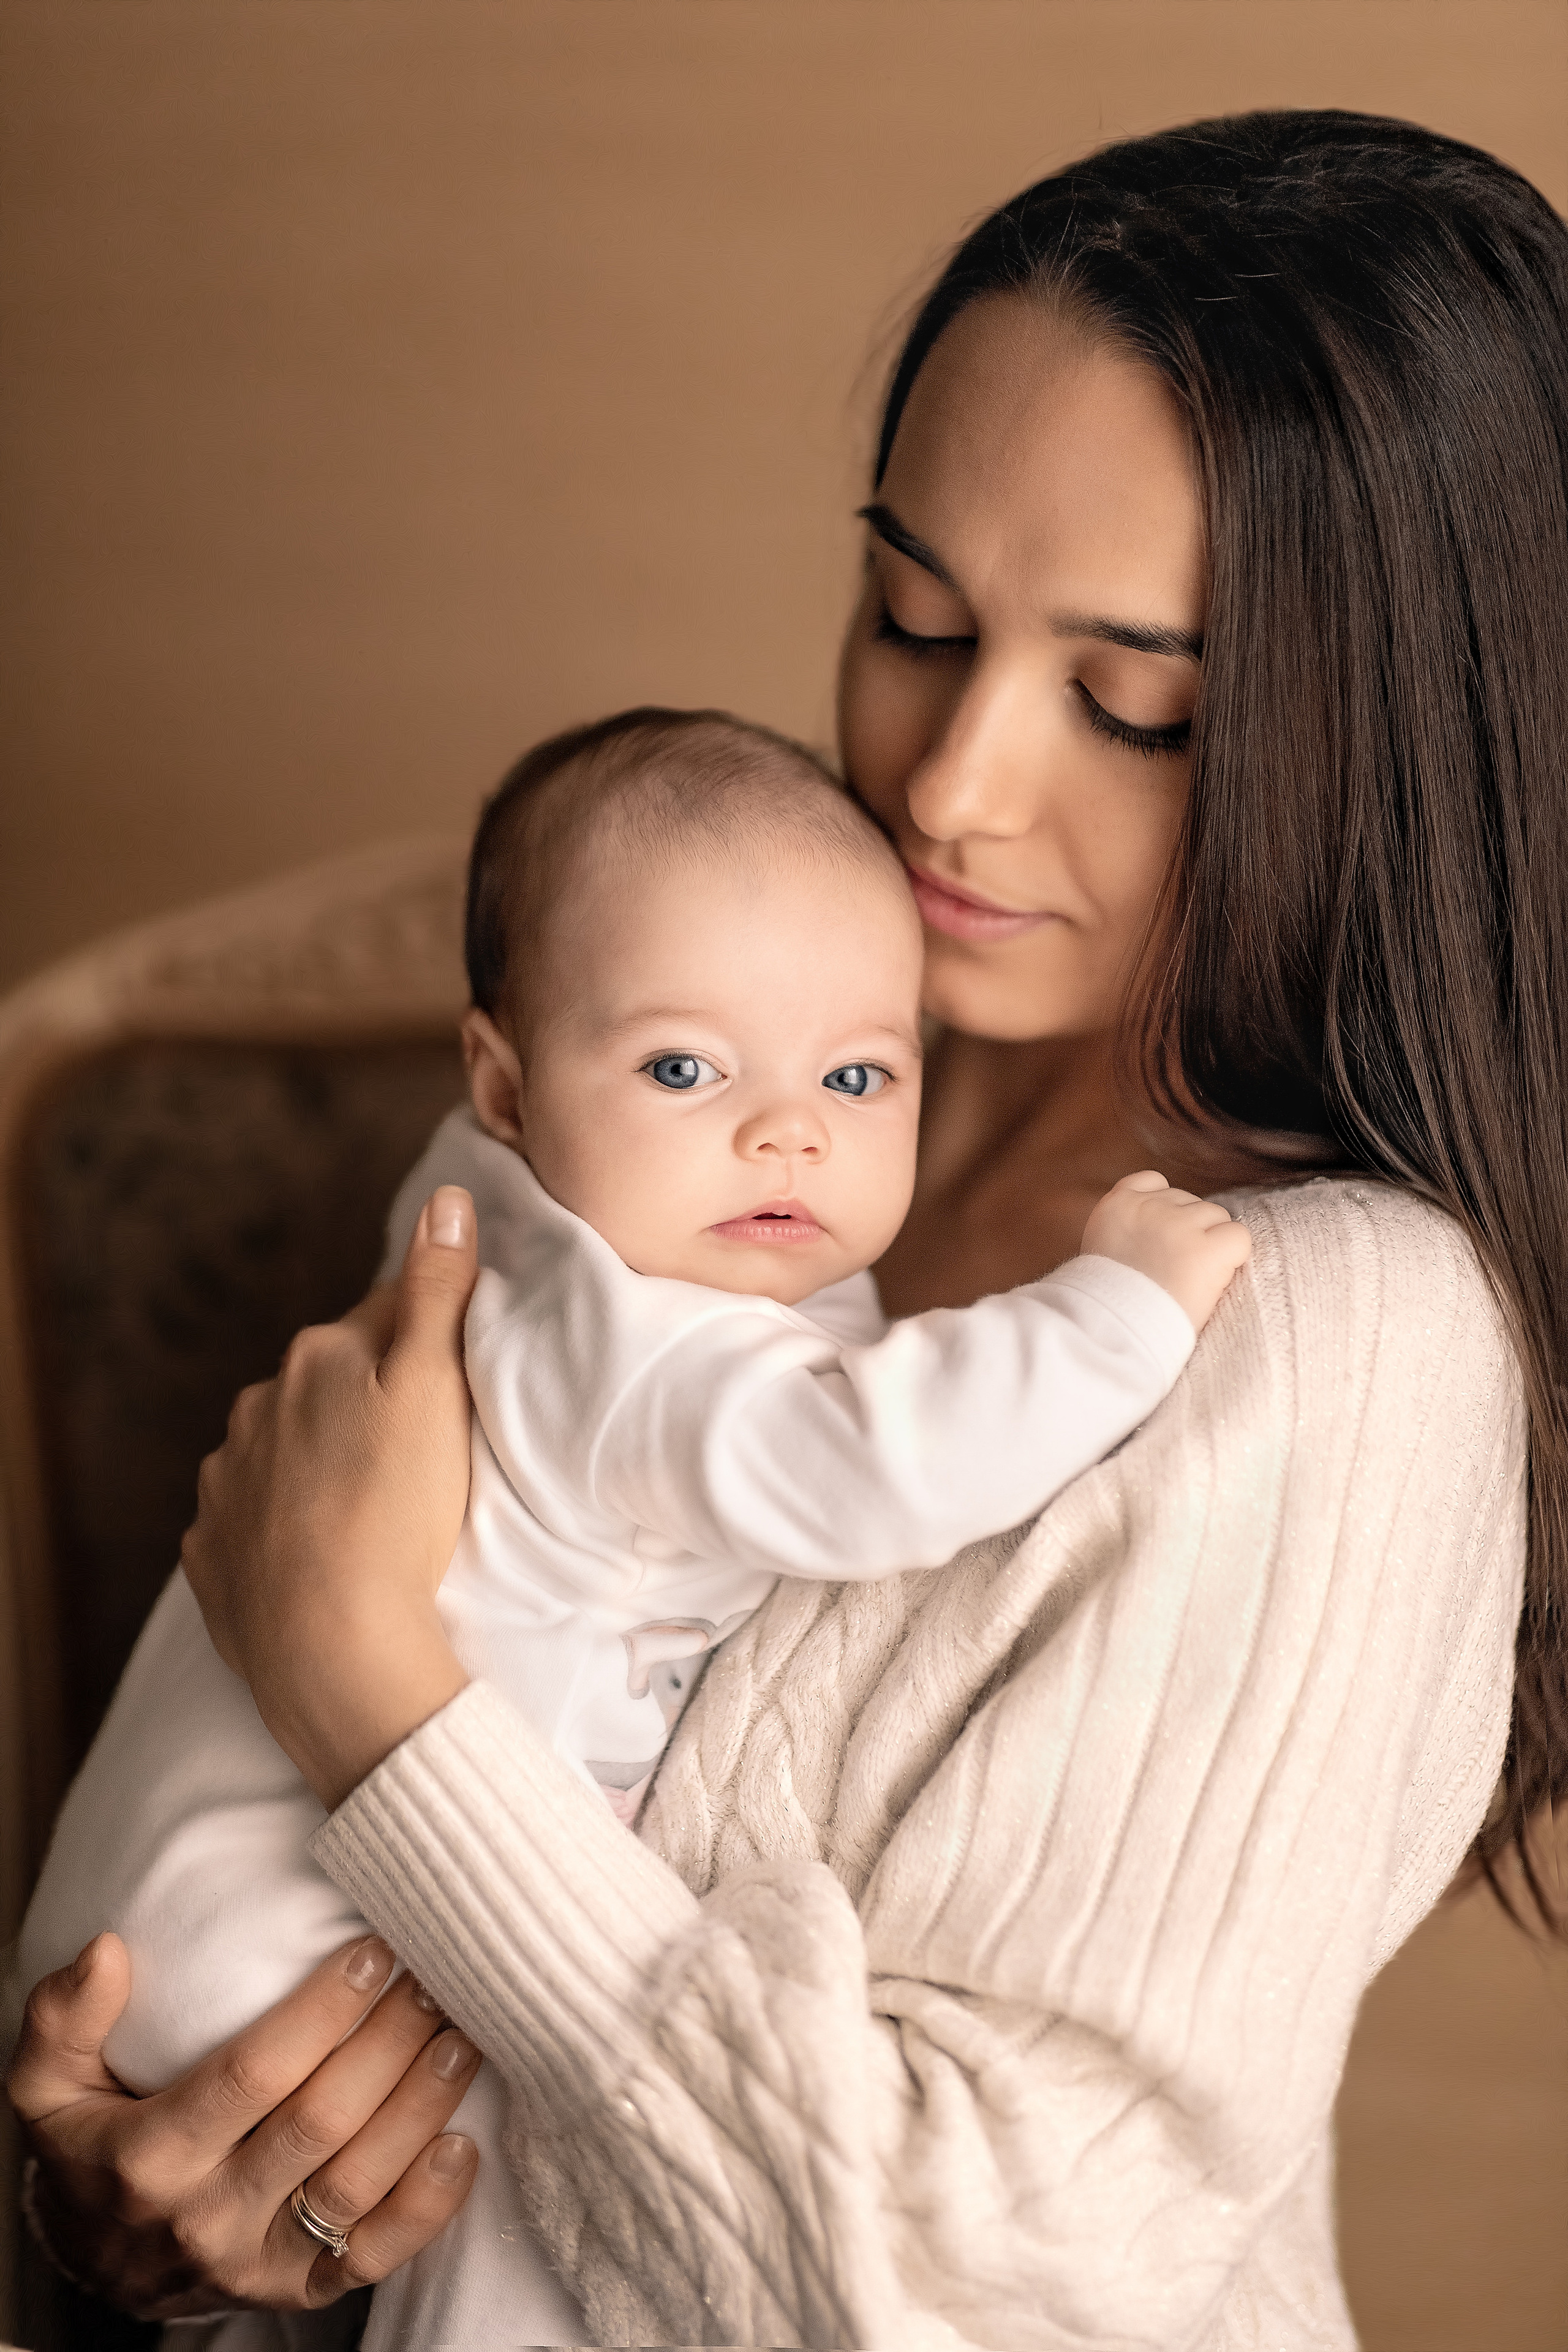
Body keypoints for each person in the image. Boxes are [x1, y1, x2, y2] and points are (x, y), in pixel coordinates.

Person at [10, 107, 1568, 2348]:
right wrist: (202, 2216)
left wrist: (382, 1716)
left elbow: (954, 2291)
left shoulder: (1342, 1349)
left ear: (1381, 746)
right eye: (913, 617)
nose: (948, 785)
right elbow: (344, 1991)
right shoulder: (658, 1061)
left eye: (1135, 705)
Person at [10, 704, 1246, 2348]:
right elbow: (860, 1462)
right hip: (289, 1959)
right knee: (538, 2227)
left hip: (174, 1946)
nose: (786, 1129)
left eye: (859, 1074)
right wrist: (1120, 1318)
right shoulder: (617, 1325)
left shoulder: (509, 1218)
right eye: (683, 1066)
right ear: (504, 1086)